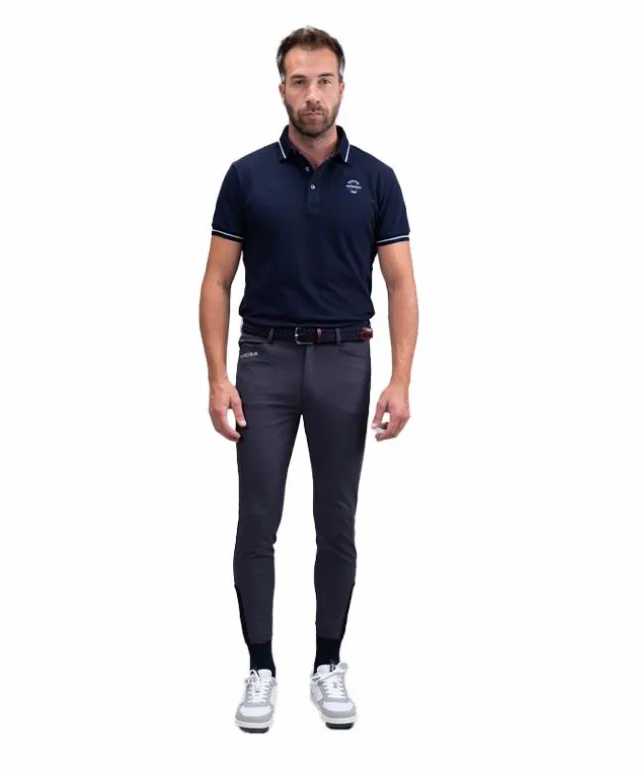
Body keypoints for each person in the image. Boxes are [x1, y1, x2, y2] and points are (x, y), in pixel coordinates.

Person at [198, 25, 418, 732]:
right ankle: (261, 668)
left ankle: (328, 662)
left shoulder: (376, 179)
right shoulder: (246, 176)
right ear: (282, 90)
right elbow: (216, 280)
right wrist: (216, 378)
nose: (313, 94)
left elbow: (401, 284)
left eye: (324, 81)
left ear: (342, 88)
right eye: (300, 81)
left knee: (337, 521)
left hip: (345, 360)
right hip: (263, 361)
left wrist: (400, 380)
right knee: (257, 519)